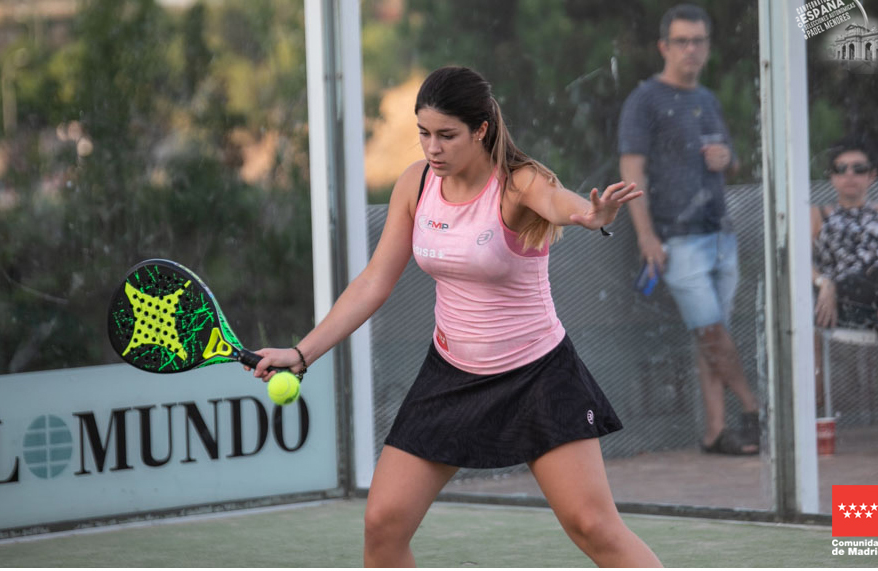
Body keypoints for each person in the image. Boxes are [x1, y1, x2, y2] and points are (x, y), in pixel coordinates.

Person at [246, 66, 662, 567]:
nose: (432, 148)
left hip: (536, 376)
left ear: (480, 129)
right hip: (450, 376)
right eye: (423, 133)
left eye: (447, 135)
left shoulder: (518, 183)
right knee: (383, 524)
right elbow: (374, 281)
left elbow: (556, 202)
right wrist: (301, 353)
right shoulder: (416, 185)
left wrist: (590, 215)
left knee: (593, 526)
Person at [618, 4, 760, 456]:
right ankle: (755, 408)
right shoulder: (645, 100)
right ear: (664, 46)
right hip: (676, 238)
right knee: (712, 331)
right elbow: (631, 171)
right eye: (682, 41)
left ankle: (715, 432)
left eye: (698, 41)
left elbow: (730, 160)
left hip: (720, 233)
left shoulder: (708, 99)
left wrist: (728, 159)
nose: (691, 49)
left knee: (709, 335)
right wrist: (646, 236)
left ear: (708, 46)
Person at [811, 138, 878, 455]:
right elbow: (798, 260)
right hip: (846, 300)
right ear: (832, 177)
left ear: (871, 176)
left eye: (859, 168)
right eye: (842, 168)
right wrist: (824, 283)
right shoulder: (818, 214)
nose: (850, 174)